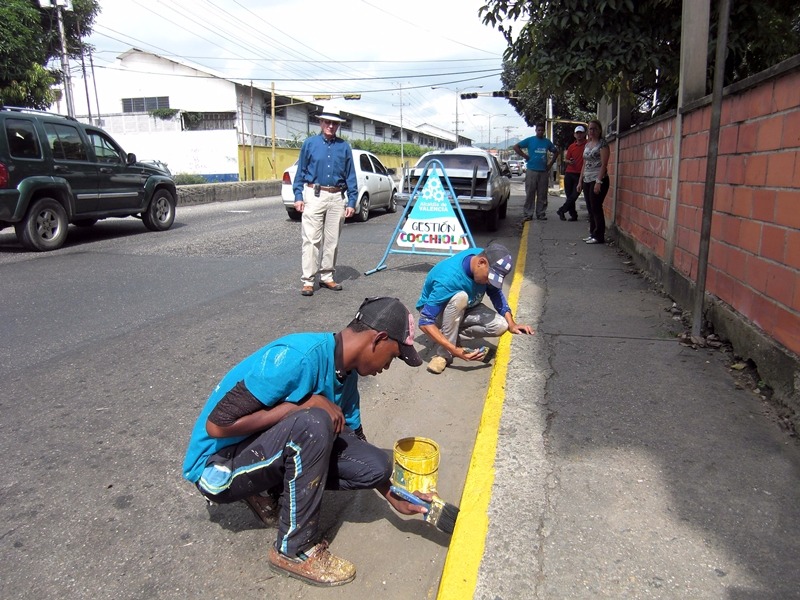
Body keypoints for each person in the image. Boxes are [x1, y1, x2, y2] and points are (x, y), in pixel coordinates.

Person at [182, 297, 428, 587]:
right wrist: (300, 407)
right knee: (314, 422)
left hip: (260, 451)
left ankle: (270, 488)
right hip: (217, 468)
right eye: (393, 356)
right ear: (379, 339)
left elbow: (356, 439)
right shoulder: (296, 357)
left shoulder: (345, 375)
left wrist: (392, 493)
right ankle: (294, 550)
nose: (387, 367)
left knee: (374, 465)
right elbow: (217, 425)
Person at [416, 243, 534, 374]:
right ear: (481, 263)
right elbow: (425, 321)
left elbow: (495, 293)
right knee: (460, 297)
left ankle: (449, 337)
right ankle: (444, 354)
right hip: (439, 312)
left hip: (466, 307)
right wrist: (455, 350)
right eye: (489, 278)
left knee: (501, 325)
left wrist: (512, 324)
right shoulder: (448, 279)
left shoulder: (483, 257)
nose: (489, 282)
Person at [292, 106, 358, 296]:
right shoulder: (310, 144)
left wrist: (352, 201)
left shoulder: (344, 147)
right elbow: (301, 172)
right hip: (315, 194)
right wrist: (298, 196)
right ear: (320, 123)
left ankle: (327, 276)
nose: (330, 126)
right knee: (311, 239)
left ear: (338, 125)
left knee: (332, 240)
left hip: (337, 197)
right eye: (327, 122)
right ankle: (308, 280)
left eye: (334, 123)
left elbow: (350, 175)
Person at [513, 122, 559, 221]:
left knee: (542, 194)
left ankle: (541, 213)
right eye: (539, 130)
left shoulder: (547, 142)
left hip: (543, 171)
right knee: (530, 193)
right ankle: (528, 214)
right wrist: (525, 156)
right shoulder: (530, 140)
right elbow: (516, 147)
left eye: (542, 130)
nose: (540, 132)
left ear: (544, 131)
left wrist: (550, 164)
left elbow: (556, 152)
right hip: (531, 171)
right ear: (536, 130)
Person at [577, 119, 611, 244]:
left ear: (599, 130)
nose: (592, 131)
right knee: (590, 208)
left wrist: (598, 182)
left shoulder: (602, 144)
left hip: (598, 179)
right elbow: (584, 164)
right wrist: (580, 181)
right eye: (590, 129)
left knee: (596, 207)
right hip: (587, 179)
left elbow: (604, 164)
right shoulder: (587, 145)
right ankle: (592, 233)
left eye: (594, 129)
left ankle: (599, 235)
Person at [556, 125, 587, 221]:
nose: (579, 135)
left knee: (574, 195)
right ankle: (573, 215)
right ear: (574, 135)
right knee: (569, 196)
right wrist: (569, 161)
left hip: (580, 174)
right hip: (569, 173)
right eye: (577, 133)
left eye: (581, 133)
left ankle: (562, 210)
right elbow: (566, 159)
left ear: (584, 134)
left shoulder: (588, 145)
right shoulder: (571, 146)